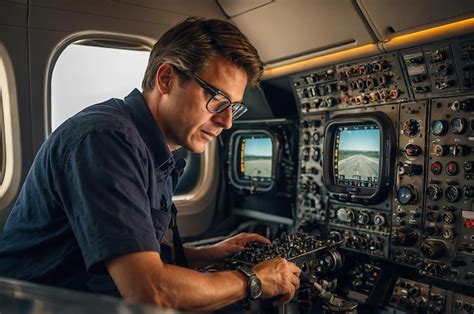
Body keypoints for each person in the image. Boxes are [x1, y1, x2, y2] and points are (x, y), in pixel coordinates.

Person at [0, 17, 301, 310]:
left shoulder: (151, 149)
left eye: (233, 106)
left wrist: (207, 254)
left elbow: (128, 246)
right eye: (217, 99)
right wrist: (253, 280)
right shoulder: (107, 141)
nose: (226, 121)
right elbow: (149, 292)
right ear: (166, 78)